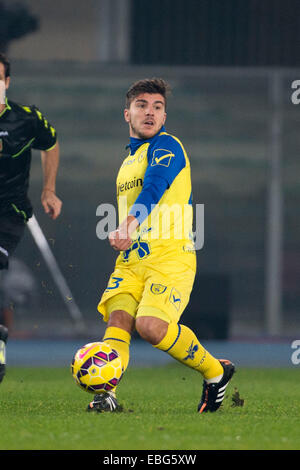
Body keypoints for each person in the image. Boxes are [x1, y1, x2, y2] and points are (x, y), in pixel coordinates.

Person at [88, 78, 235, 414]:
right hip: (131, 262)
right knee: (119, 320)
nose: (150, 112)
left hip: (170, 258)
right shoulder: (127, 161)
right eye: (142, 105)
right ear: (127, 114)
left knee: (151, 328)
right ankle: (106, 393)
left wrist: (128, 224)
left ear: (165, 116)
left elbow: (154, 187)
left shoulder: (167, 146)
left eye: (157, 107)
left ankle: (216, 372)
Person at [0, 52, 62, 383]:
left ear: (7, 83)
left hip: (7, 213)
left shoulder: (26, 118)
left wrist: (48, 190)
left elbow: (50, 144)